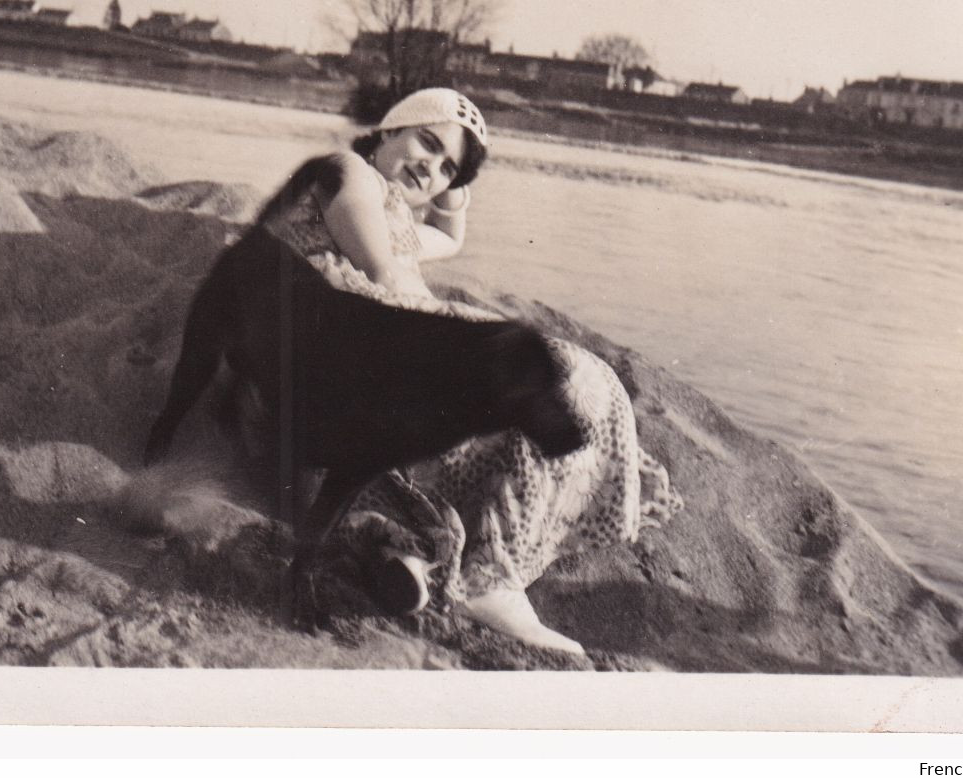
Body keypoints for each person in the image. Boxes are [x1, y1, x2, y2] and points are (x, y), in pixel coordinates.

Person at [256, 86, 682, 654]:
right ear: (389, 129)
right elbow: (383, 273)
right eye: (426, 143)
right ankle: (487, 579)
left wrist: (452, 191)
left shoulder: (390, 209)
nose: (429, 169)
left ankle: (418, 555)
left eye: (446, 168)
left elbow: (444, 240)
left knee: (573, 382)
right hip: (353, 346)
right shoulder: (348, 171)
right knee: (549, 387)